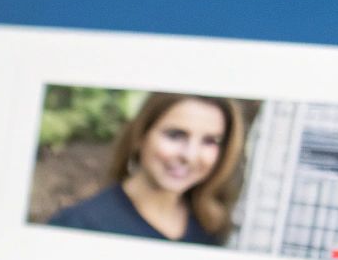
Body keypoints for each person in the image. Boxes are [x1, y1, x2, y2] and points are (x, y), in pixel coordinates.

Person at [46, 93, 245, 245]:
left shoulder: (210, 226)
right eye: (175, 135)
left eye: (210, 141)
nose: (190, 156)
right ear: (141, 136)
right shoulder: (78, 226)